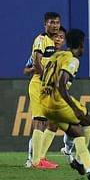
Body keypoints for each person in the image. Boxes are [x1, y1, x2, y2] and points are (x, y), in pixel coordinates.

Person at [39, 28, 90, 180]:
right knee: (86, 118)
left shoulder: (56, 55)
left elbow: (45, 76)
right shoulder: (72, 59)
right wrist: (74, 107)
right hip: (57, 102)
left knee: (77, 131)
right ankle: (78, 159)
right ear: (81, 44)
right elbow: (61, 84)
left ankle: (80, 163)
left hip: (44, 102)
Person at [24, 27, 67, 167]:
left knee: (54, 123)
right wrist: (36, 70)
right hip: (39, 87)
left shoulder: (63, 56)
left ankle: (41, 157)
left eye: (61, 37)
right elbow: (27, 68)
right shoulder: (42, 52)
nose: (58, 39)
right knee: (39, 121)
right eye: (56, 37)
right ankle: (33, 159)